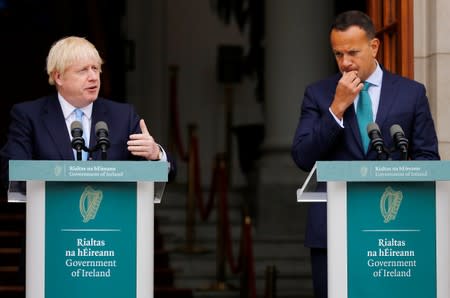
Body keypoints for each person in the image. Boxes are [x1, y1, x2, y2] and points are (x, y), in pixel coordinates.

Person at [0, 35, 176, 285]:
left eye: (96, 69)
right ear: (58, 77)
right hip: (50, 251)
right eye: (83, 70)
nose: (94, 77)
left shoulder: (122, 116)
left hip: (111, 253)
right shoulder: (29, 115)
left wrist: (156, 154)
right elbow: (10, 172)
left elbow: (170, 171)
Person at [291, 11, 440, 298]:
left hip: (394, 232)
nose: (345, 62)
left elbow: (428, 160)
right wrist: (336, 108)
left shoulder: (411, 94)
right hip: (332, 232)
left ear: (374, 47)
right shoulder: (318, 94)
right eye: (338, 54)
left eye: (352, 52)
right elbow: (301, 157)